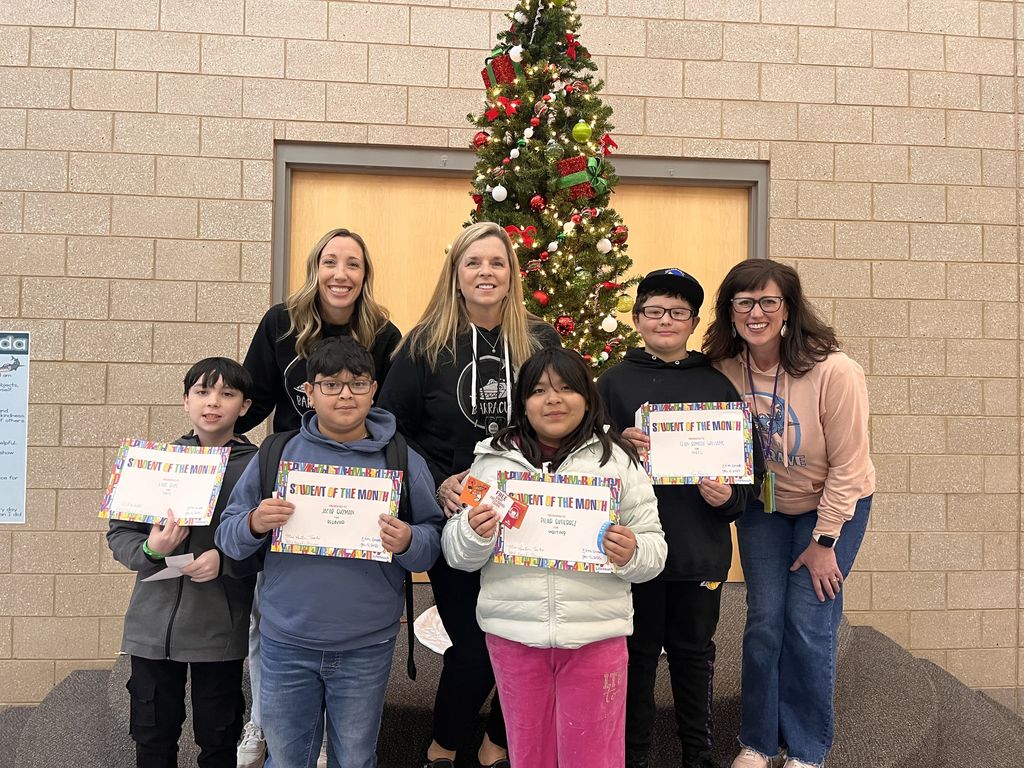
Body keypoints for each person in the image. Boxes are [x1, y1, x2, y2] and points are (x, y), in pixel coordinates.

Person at [378, 221, 560, 768]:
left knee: (528, 637)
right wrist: (436, 483)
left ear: (511, 276)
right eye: (473, 263)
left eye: (497, 263)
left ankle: (496, 743)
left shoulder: (540, 340)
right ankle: (443, 743)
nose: (486, 272)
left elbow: (563, 416)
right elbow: (392, 425)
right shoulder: (425, 343)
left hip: (524, 516)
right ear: (456, 275)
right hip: (455, 517)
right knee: (476, 647)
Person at [215, 336, 443, 768]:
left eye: (357, 384)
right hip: (286, 641)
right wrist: (254, 523)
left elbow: (432, 542)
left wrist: (409, 541)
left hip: (367, 644)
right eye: (331, 384)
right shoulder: (276, 454)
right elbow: (228, 535)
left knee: (355, 759)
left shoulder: (401, 458)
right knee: (285, 759)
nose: (345, 394)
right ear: (309, 392)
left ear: (373, 390)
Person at [442, 346, 667, 768]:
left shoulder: (617, 461)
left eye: (567, 388)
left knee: (594, 756)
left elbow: (655, 548)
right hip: (514, 636)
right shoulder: (491, 463)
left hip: (596, 637)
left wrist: (632, 552)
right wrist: (473, 532)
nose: (553, 400)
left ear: (587, 397)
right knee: (529, 754)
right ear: (523, 402)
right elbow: (457, 554)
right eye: (540, 390)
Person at [235, 228, 401, 767]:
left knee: (341, 599)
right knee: (275, 609)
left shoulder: (384, 332)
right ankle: (264, 720)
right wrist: (219, 444)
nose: (341, 273)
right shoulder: (281, 323)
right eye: (331, 261)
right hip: (294, 476)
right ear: (315, 267)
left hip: (359, 483)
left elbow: (392, 411)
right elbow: (255, 396)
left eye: (353, 264)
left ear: (365, 274)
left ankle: (329, 731)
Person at [703, 260, 875, 768]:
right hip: (765, 505)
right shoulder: (723, 367)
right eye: (744, 302)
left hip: (833, 506)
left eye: (768, 301)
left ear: (789, 309)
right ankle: (757, 741)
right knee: (763, 622)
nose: (756, 313)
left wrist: (825, 544)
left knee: (808, 621)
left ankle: (806, 749)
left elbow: (849, 465)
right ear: (730, 311)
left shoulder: (833, 370)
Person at [597, 269, 763, 768]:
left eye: (677, 313)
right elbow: (585, 465)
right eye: (654, 311)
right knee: (638, 658)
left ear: (692, 322)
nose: (665, 321)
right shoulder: (610, 383)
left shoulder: (717, 385)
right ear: (637, 318)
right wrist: (616, 444)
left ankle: (699, 755)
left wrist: (726, 498)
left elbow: (745, 483)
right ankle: (634, 757)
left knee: (695, 655)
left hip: (699, 550)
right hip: (636, 553)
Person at [107, 357, 260, 768]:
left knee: (218, 737)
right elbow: (119, 534)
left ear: (244, 406)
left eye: (227, 394)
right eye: (202, 392)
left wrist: (226, 561)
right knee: (153, 736)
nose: (214, 403)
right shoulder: (153, 462)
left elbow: (272, 545)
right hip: (151, 625)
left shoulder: (258, 468)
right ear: (185, 401)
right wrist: (152, 551)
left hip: (219, 626)